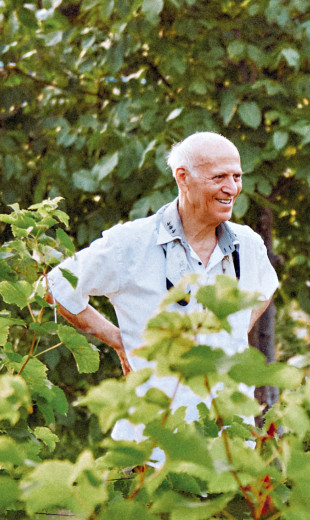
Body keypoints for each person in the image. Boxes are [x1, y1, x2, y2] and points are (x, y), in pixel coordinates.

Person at [46, 131, 279, 451]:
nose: (232, 188)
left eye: (237, 176)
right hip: (152, 452)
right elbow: (55, 286)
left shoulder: (248, 245)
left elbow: (266, 287)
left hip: (231, 452)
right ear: (183, 177)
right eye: (219, 177)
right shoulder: (131, 243)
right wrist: (119, 341)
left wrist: (236, 327)